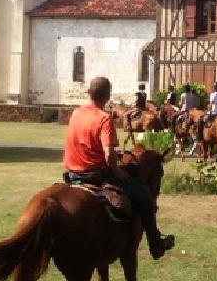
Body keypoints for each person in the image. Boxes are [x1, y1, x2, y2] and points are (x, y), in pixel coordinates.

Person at [64, 76, 175, 259]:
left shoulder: (76, 113)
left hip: (73, 173)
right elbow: (108, 156)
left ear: (89, 93)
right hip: (96, 174)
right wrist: (118, 172)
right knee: (145, 195)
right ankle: (156, 244)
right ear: (107, 95)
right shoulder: (104, 118)